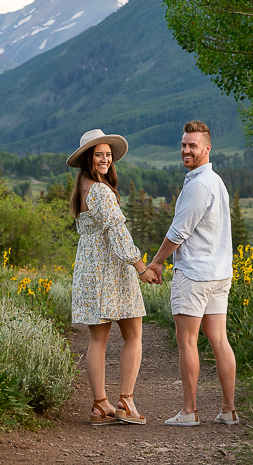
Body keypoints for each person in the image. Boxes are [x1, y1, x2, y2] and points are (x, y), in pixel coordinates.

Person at [146, 120, 239, 426]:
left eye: (192, 146)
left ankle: (189, 412)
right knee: (219, 340)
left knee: (187, 342)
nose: (186, 150)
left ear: (207, 149)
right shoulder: (215, 181)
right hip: (219, 272)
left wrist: (157, 262)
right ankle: (228, 411)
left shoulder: (199, 185)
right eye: (184, 145)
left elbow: (178, 232)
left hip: (196, 274)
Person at [68, 128, 160, 426]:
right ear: (88, 159)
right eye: (99, 155)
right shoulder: (101, 191)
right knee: (133, 334)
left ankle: (100, 405)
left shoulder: (83, 188)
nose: (105, 160)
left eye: (108, 155)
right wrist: (141, 266)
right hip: (112, 270)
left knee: (98, 339)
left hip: (91, 271)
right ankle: (126, 401)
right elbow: (118, 233)